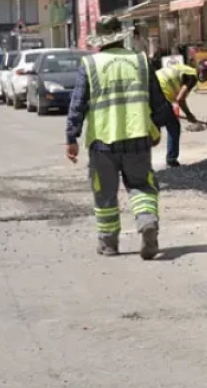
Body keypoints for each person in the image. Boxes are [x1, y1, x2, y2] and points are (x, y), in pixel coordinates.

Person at [65, 16, 172, 260]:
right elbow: (158, 102)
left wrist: (71, 137)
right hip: (137, 138)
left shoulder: (90, 64)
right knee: (142, 185)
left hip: (102, 142)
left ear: (99, 40)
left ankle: (109, 243)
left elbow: (77, 104)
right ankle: (147, 221)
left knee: (104, 192)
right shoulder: (141, 60)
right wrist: (159, 126)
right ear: (121, 37)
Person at [155, 58, 207, 167]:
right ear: (201, 71)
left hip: (154, 89)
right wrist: (189, 115)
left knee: (157, 123)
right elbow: (180, 98)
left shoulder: (188, 71)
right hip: (159, 92)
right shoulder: (192, 77)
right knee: (173, 125)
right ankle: (171, 160)